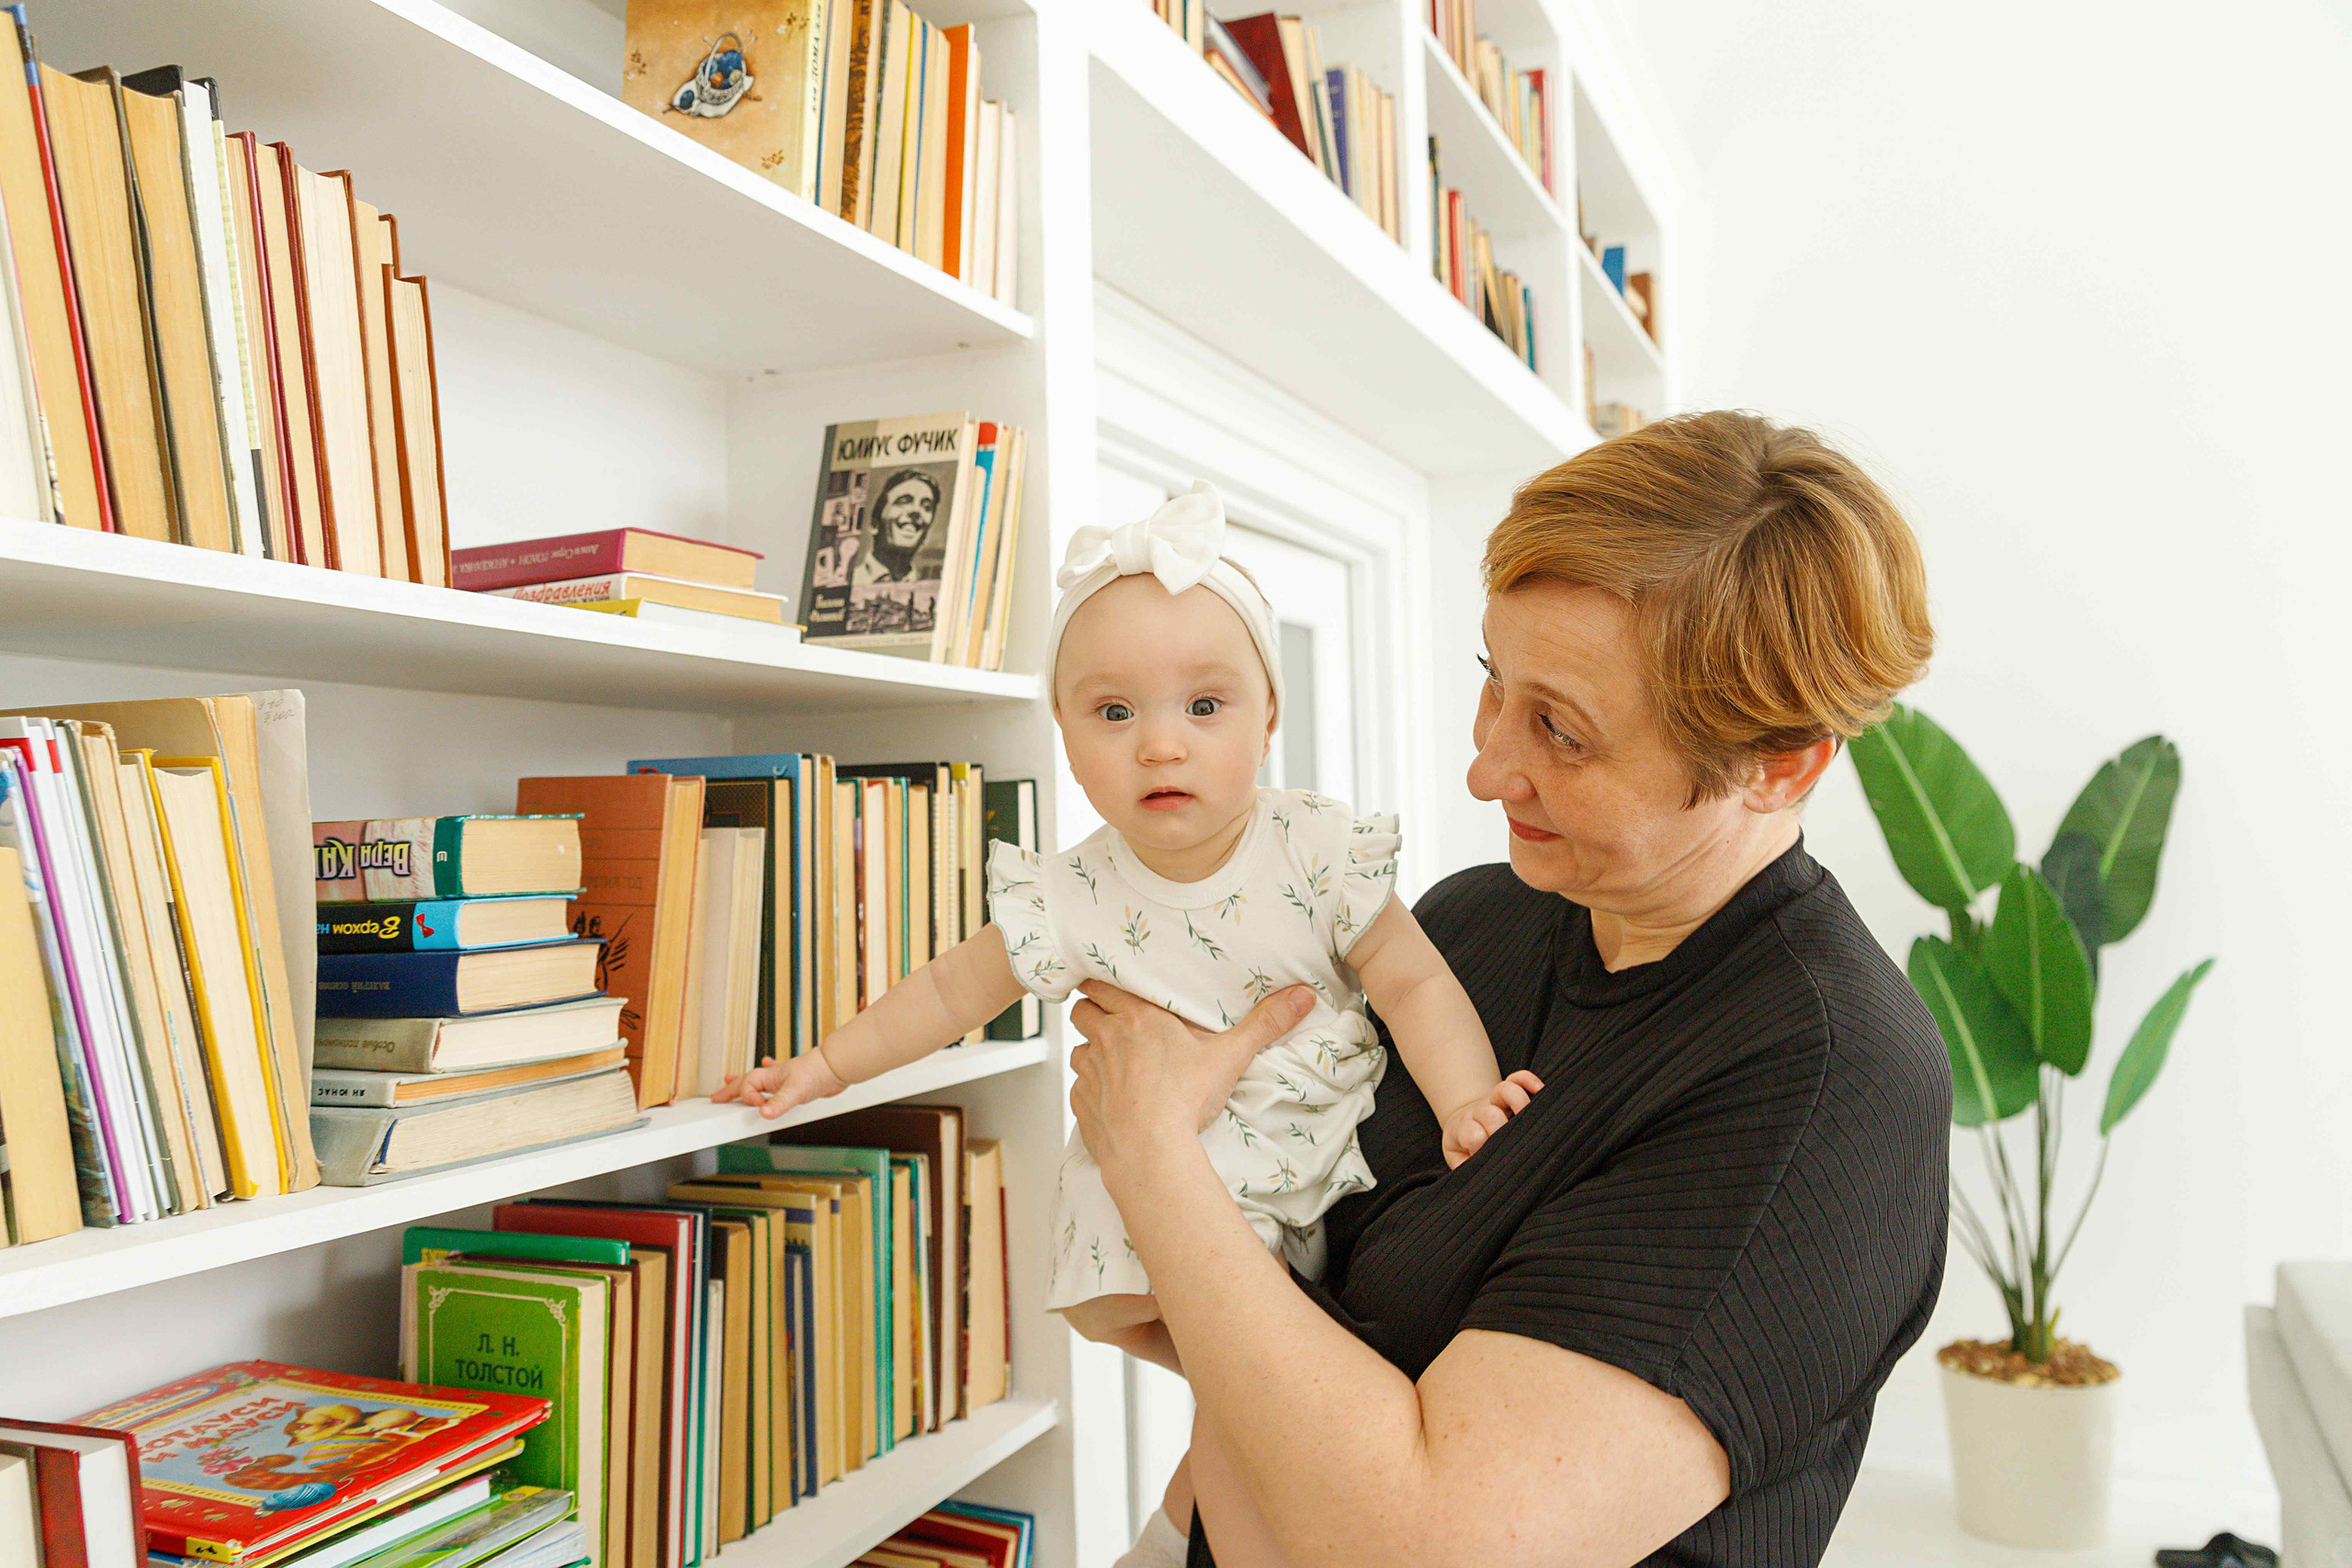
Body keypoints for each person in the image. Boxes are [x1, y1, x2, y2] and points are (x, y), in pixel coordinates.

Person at [1069, 412, 1953, 1567]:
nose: (1486, 766)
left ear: (1778, 762)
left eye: (1564, 733)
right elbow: (1280, 1307)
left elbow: (1424, 1547)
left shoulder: (1827, 1084)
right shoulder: (1475, 922)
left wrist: (1148, 1149)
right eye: (1497, 683)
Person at [717, 481, 1532, 1356]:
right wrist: (824, 1067)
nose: (1160, 744)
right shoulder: (1072, 893)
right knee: (1155, 1324)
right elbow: (952, 988)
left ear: (1269, 721)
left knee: (1282, 1361)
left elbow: (1414, 982)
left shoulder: (1316, 846)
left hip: (1315, 1146)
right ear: (1064, 734)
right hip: (1152, 1181)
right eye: (1114, 712)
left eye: (1204, 706)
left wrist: (1466, 1102)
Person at [851, 468, 943, 584]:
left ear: (926, 534)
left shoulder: (936, 587)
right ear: (875, 524)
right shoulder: (846, 582)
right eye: (903, 501)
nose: (916, 511)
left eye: (926, 507)